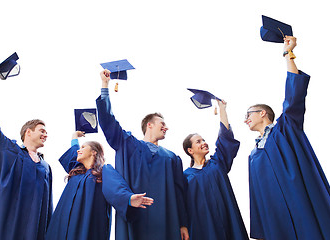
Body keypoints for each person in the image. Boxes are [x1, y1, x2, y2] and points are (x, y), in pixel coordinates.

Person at [245, 36, 330, 239]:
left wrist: (288, 55)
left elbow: (293, 99)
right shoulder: (253, 155)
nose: (245, 119)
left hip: (299, 204)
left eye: (248, 113)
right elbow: (256, 195)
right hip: (276, 218)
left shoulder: (285, 130)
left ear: (262, 113)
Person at [97, 70, 189, 240]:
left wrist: (183, 223)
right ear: (149, 125)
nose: (166, 127)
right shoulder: (127, 144)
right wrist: (105, 85)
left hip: (166, 220)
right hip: (136, 216)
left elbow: (178, 192)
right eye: (162, 123)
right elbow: (108, 121)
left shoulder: (172, 158)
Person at [0, 71, 52, 240]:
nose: (46, 135)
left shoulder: (46, 168)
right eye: (42, 131)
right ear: (28, 132)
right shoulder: (7, 149)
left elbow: (47, 207)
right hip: (2, 225)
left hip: (31, 231)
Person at [46, 131, 153, 240]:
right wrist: (74, 137)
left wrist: (128, 199)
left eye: (83, 147)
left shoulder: (102, 172)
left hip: (86, 224)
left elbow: (115, 188)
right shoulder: (76, 172)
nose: (79, 150)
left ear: (94, 152)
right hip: (62, 225)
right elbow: (74, 152)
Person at [182, 99, 248, 240]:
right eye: (198, 142)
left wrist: (222, 110)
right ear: (190, 150)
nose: (204, 143)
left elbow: (225, 139)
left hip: (229, 220)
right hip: (205, 228)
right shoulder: (185, 177)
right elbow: (181, 208)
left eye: (204, 140)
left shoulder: (217, 163)